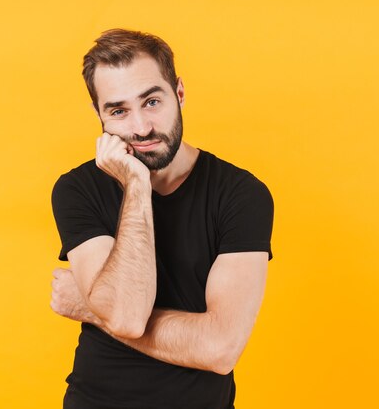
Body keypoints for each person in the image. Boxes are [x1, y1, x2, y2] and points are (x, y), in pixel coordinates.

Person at [50, 29, 274, 409]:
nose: (140, 128)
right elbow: (125, 314)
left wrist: (89, 308)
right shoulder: (78, 189)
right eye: (118, 111)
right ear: (99, 115)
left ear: (179, 94)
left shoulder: (240, 194)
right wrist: (137, 183)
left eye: (152, 101)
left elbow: (220, 349)